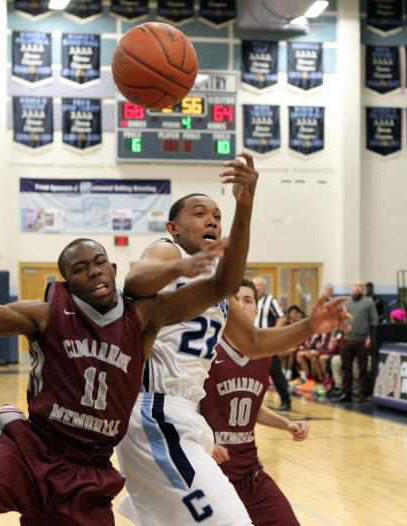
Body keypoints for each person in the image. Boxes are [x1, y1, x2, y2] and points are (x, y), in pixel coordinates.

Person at [0, 222, 247, 526]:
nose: (94, 272)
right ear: (66, 281)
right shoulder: (46, 314)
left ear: (114, 267)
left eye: (100, 262)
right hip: (33, 450)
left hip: (89, 470)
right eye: (81, 268)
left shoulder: (144, 316)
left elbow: (224, 283)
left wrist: (245, 202)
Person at [114, 155, 351, 526]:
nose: (211, 219)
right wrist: (179, 266)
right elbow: (134, 280)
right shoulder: (167, 250)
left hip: (180, 417)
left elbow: (254, 341)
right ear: (173, 227)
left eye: (216, 215)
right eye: (198, 213)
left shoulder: (217, 291)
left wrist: (311, 326)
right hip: (153, 411)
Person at [199, 279, 312, 526]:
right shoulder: (205, 349)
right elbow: (183, 406)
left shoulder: (265, 354)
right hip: (210, 472)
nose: (241, 305)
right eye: (235, 299)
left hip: (250, 472)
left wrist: (286, 423)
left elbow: (252, 406)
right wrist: (204, 439)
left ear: (256, 310)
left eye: (248, 300)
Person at [333, 279, 378, 403]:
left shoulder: (369, 303)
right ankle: (346, 393)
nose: (357, 288)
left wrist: (370, 337)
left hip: (362, 340)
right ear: (352, 287)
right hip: (347, 340)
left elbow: (374, 321)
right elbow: (338, 320)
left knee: (362, 369)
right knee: (345, 368)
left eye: (360, 286)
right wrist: (333, 335)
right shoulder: (346, 303)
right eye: (355, 286)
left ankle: (362, 393)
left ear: (362, 288)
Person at [253, 276, 291, 411]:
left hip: (267, 342)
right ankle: (255, 402)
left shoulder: (270, 300)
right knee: (254, 372)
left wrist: (273, 333)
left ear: (264, 287)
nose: (257, 288)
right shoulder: (250, 300)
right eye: (255, 285)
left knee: (275, 371)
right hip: (253, 342)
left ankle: (286, 400)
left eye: (259, 285)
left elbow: (282, 317)